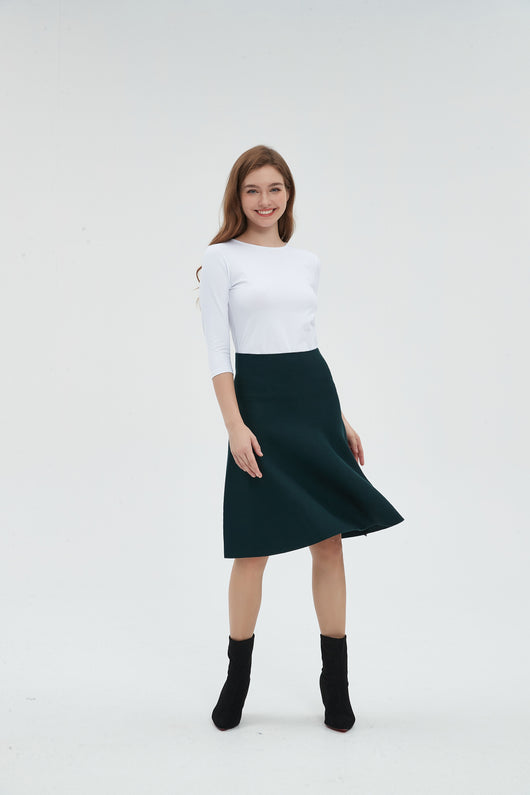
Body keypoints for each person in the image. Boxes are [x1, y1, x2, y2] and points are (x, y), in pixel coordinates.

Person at [196, 144, 404, 732]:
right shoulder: (220, 259)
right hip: (258, 407)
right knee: (252, 548)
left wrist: (339, 419)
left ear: (288, 195)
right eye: (253, 190)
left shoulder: (306, 261)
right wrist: (235, 425)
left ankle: (335, 685)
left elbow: (306, 339)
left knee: (329, 543)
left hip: (314, 403)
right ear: (238, 197)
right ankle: (237, 680)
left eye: (275, 189)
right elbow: (218, 352)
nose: (265, 200)